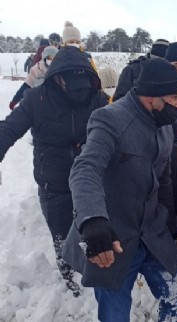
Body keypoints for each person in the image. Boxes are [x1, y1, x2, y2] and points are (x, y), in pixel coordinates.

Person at [63, 58, 177, 322]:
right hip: (113, 240)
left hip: (152, 234)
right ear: (151, 96)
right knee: (114, 316)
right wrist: (94, 220)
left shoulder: (164, 124)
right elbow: (85, 168)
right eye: (174, 97)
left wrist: (170, 222)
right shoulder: (110, 119)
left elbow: (164, 177)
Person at [0, 46, 108, 297]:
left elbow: (115, 131)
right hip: (56, 183)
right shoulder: (36, 99)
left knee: (89, 230)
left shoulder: (97, 98)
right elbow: (8, 130)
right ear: (57, 77)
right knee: (63, 236)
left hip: (88, 182)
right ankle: (69, 275)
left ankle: (87, 271)